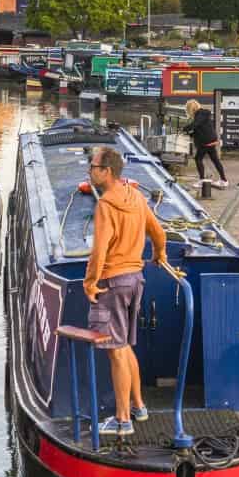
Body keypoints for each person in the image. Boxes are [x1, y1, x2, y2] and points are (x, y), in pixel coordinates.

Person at [83, 146, 177, 437]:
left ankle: (122, 420)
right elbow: (158, 233)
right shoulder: (136, 196)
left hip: (112, 282)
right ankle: (138, 406)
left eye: (94, 167)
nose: (90, 170)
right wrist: (160, 254)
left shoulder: (106, 206)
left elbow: (100, 249)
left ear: (107, 171)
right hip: (136, 279)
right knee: (125, 346)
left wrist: (90, 282)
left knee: (117, 352)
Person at [184, 99, 227, 187]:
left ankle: (202, 180)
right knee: (215, 160)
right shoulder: (202, 115)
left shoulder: (200, 114)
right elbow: (199, 129)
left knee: (198, 159)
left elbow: (195, 125)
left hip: (206, 141)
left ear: (191, 108)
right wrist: (190, 133)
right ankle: (224, 180)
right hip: (211, 140)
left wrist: (185, 128)